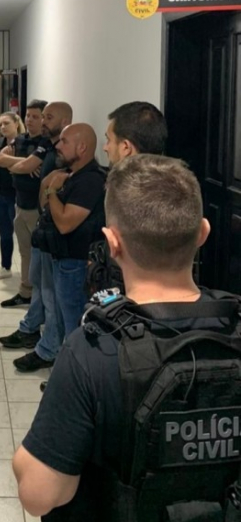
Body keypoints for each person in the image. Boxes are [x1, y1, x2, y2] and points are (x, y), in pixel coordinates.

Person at [12, 155, 233, 521]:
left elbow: (38, 496)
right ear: (203, 233)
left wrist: (23, 460)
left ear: (112, 243)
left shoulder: (92, 350)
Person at [13, 124, 106, 372]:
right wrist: (50, 185)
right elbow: (45, 205)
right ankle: (53, 355)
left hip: (74, 262)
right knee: (58, 311)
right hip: (59, 255)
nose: (57, 146)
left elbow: (64, 223)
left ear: (82, 147)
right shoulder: (70, 174)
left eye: (64, 141)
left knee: (74, 321)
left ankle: (75, 375)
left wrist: (52, 189)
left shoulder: (90, 180)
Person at [0, 102, 72, 360]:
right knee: (39, 281)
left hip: (51, 227)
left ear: (64, 122)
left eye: (46, 117)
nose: (40, 122)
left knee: (50, 292)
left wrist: (22, 166)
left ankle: (49, 347)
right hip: (40, 222)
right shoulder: (47, 147)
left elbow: (26, 168)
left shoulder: (63, 153)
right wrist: (22, 165)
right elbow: (13, 164)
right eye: (41, 116)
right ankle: (31, 329)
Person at [88, 101, 168, 295]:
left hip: (127, 296)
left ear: (125, 147)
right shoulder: (177, 186)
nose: (105, 147)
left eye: (108, 140)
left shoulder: (127, 194)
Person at [0, 112, 25, 281]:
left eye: (6, 123)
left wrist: (8, 162)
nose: (2, 127)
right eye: (0, 124)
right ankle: (5, 266)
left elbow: (27, 164)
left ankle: (27, 272)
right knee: (4, 233)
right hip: (0, 193)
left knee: (23, 236)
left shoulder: (24, 143)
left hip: (17, 195)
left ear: (16, 123)